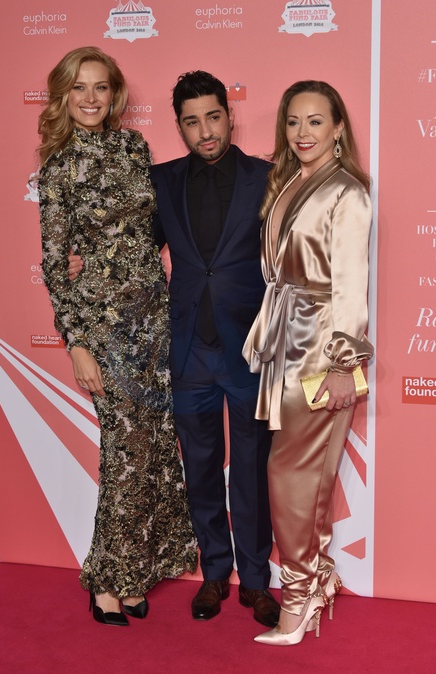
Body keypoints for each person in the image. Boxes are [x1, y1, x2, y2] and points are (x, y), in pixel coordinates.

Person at [37, 46, 197, 627]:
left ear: (114, 94)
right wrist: (77, 343)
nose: (90, 98)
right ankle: (105, 580)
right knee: (125, 449)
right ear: (63, 96)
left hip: (153, 316)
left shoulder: (134, 148)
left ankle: (133, 574)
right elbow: (55, 265)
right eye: (78, 88)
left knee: (153, 449)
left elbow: (150, 232)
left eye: (100, 87)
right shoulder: (58, 169)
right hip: (103, 327)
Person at [243, 80, 374, 645]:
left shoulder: (348, 192)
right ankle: (313, 583)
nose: (303, 132)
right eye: (294, 121)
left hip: (320, 347)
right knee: (294, 473)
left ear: (338, 127)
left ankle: (298, 599)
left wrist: (344, 364)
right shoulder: (291, 181)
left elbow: (349, 285)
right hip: (286, 339)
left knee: (293, 475)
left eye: (316, 121)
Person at [150, 71, 279, 626]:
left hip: (249, 350)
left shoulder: (267, 179)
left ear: (230, 115)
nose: (205, 131)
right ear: (179, 126)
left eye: (213, 117)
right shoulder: (161, 181)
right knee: (200, 467)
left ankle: (256, 581)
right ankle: (214, 573)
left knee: (251, 469)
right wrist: (85, 263)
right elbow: (136, 253)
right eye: (191, 121)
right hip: (188, 350)